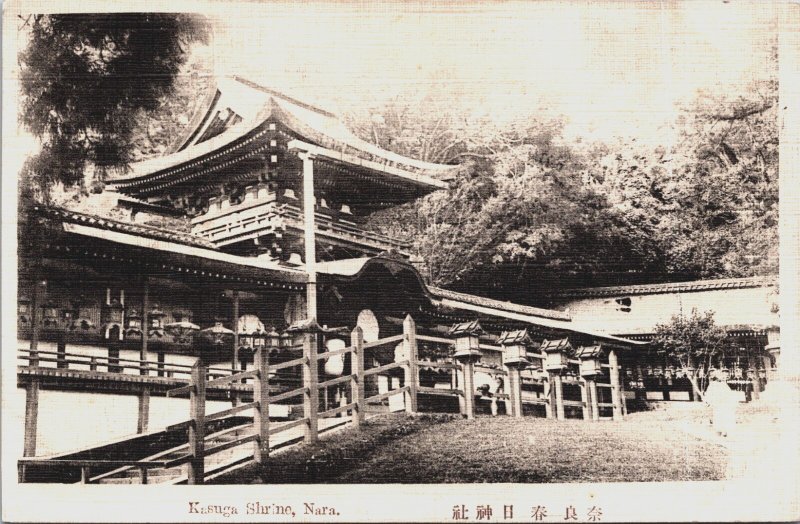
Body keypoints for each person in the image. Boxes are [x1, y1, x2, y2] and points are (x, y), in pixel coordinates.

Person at [704, 371, 737, 437]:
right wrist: (708, 401)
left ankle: (724, 431)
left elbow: (729, 394)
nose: (722, 377)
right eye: (719, 376)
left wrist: (730, 402)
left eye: (722, 376)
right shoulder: (713, 384)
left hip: (724, 404)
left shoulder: (724, 384)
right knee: (717, 416)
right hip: (717, 404)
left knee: (725, 417)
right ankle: (718, 431)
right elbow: (709, 394)